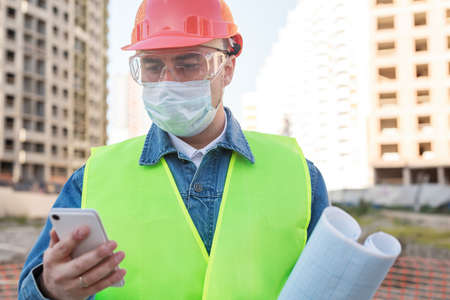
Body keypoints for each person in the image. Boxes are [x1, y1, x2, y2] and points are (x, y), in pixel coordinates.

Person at [18, 0, 329, 299]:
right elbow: (31, 293)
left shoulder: (300, 176)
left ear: (228, 68)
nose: (168, 82)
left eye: (189, 63)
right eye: (153, 66)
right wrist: (51, 290)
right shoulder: (92, 179)